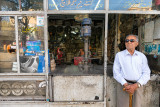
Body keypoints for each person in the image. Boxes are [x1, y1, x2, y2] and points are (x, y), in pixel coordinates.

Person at [113, 34, 151, 107]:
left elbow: (146, 73)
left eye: (132, 41)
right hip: (124, 86)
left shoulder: (141, 56)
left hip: (138, 86)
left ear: (137, 43)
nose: (129, 42)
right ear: (125, 43)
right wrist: (126, 85)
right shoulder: (119, 55)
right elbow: (116, 72)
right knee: (122, 105)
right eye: (127, 41)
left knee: (137, 105)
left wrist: (136, 85)